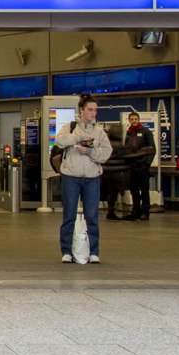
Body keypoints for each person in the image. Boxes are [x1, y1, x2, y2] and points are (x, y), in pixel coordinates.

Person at [53, 95, 112, 264]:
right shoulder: (70, 128)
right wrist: (78, 138)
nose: (93, 113)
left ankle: (94, 251)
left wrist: (90, 152)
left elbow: (106, 154)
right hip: (71, 177)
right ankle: (66, 251)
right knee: (69, 215)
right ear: (82, 110)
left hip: (92, 178)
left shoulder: (100, 132)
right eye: (90, 109)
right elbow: (59, 140)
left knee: (92, 215)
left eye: (95, 110)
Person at [118, 112, 155, 219]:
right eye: (132, 119)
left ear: (138, 120)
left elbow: (152, 149)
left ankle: (145, 211)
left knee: (144, 190)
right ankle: (136, 210)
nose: (134, 121)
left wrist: (147, 163)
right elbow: (126, 149)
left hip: (143, 166)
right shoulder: (128, 133)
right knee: (134, 190)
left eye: (135, 119)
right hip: (132, 167)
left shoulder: (146, 132)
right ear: (129, 120)